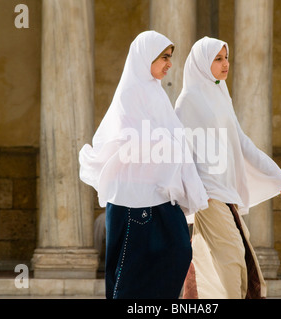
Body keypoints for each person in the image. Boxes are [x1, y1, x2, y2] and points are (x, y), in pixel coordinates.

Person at [79, 31, 209, 299]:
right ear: (145, 57)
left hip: (159, 194)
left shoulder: (156, 93)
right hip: (132, 200)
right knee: (130, 274)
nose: (169, 64)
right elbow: (134, 142)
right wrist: (174, 145)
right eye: (164, 57)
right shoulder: (130, 93)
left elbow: (164, 138)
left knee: (179, 252)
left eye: (170, 57)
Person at [175, 36, 281, 299]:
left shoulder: (220, 94)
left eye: (226, 57)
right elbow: (179, 151)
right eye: (218, 59)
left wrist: (277, 176)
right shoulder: (187, 100)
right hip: (207, 194)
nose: (225, 64)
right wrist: (193, 192)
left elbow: (241, 142)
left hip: (227, 193)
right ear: (202, 63)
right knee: (233, 259)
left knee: (224, 258)